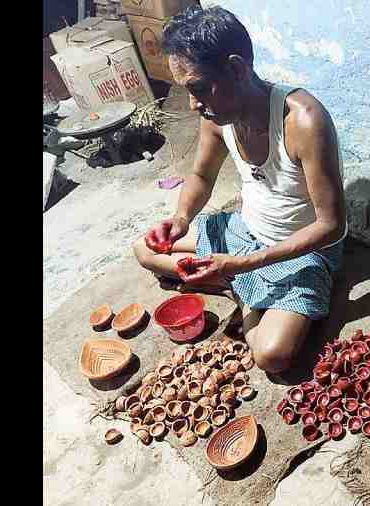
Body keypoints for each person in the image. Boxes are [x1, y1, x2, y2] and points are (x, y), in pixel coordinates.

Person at [132, 5, 347, 375]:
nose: (193, 104)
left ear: (235, 69)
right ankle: (242, 283)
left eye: (198, 88)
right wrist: (181, 219)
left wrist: (241, 265)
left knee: (271, 355)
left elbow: (331, 226)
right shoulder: (217, 115)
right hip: (243, 232)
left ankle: (241, 290)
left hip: (299, 252)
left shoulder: (303, 120)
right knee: (144, 250)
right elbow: (201, 176)